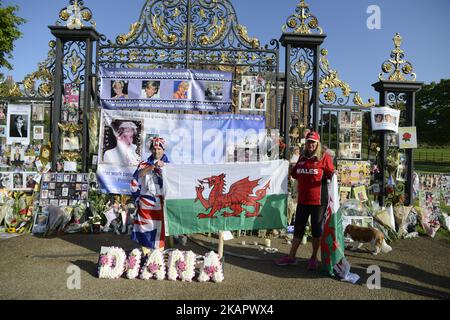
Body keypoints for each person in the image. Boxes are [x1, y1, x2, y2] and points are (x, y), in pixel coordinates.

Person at [275, 131, 334, 270]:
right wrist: (285, 167)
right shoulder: (302, 158)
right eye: (308, 142)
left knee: (316, 230)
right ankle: (291, 257)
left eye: (313, 142)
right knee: (298, 228)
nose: (310, 145)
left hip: (319, 201)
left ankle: (314, 258)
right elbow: (294, 174)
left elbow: (332, 174)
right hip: (303, 200)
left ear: (317, 143)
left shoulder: (324, 158)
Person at [131, 137, 170, 253]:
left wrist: (164, 167)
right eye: (154, 149)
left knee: (159, 229)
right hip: (145, 202)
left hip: (161, 202)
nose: (156, 151)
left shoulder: (169, 165)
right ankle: (145, 254)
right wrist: (152, 166)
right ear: (150, 150)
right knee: (144, 228)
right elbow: (137, 177)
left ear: (163, 150)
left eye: (159, 149)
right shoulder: (143, 164)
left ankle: (157, 257)